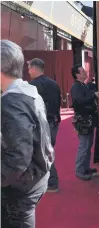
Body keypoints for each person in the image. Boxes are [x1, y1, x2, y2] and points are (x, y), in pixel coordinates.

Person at [1, 40, 54, 228]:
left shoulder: (12, 101)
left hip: (23, 184)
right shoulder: (29, 92)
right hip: (36, 175)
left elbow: (18, 157)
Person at [28, 58, 61, 192]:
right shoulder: (54, 84)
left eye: (29, 68)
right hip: (54, 123)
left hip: (42, 125)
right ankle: (46, 180)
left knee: (42, 153)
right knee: (45, 152)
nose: (28, 71)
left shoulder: (32, 86)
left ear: (35, 69)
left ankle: (51, 182)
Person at [71, 64, 98, 180]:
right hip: (83, 120)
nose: (85, 73)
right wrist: (93, 95)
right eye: (82, 72)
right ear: (77, 75)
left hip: (88, 119)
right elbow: (80, 101)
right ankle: (80, 170)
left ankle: (85, 167)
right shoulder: (76, 87)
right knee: (84, 146)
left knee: (88, 145)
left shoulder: (83, 85)